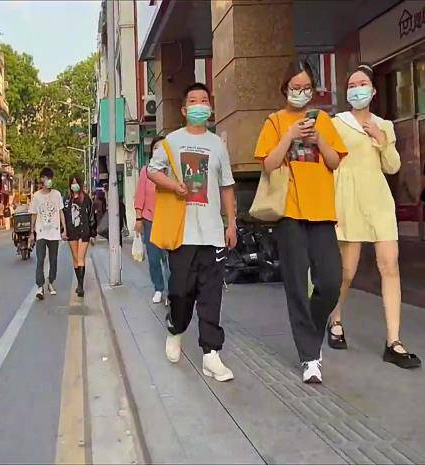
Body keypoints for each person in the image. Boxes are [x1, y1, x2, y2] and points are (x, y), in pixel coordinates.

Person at [254, 59, 347, 384]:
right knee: (295, 284)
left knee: (331, 282)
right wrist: (290, 135)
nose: (301, 92)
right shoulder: (275, 121)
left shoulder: (324, 120)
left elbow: (334, 162)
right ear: (285, 88)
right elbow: (268, 165)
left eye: (306, 87)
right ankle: (310, 357)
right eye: (296, 87)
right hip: (289, 213)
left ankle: (311, 332)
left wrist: (319, 139)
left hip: (321, 211)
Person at [329, 63, 421, 368]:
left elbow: (392, 166)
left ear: (373, 90)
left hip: (379, 200)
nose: (357, 90)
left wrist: (381, 139)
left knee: (390, 264)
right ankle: (335, 318)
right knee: (347, 270)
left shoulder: (385, 125)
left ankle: (393, 341)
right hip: (347, 199)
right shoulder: (337, 123)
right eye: (352, 85)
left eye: (362, 84)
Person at [147, 82, 237, 382]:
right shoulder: (172, 141)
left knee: (211, 295)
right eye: (194, 101)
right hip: (182, 232)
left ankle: (211, 354)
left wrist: (231, 223)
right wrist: (174, 186)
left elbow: (227, 186)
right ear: (184, 109)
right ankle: (176, 327)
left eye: (204, 100)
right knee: (180, 291)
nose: (200, 105)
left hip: (212, 233)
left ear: (210, 108)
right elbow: (152, 171)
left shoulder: (218, 145)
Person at [135, 135, 169, 305]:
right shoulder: (146, 171)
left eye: (162, 147)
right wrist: (138, 218)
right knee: (154, 257)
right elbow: (139, 195)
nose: (158, 151)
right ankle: (158, 288)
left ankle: (170, 291)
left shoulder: (171, 171)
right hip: (149, 219)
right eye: (156, 148)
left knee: (168, 258)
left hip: (168, 220)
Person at [29, 167, 67, 300]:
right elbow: (33, 215)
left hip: (54, 233)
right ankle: (40, 286)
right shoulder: (36, 196)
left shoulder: (57, 194)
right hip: (41, 233)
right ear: (42, 179)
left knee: (53, 259)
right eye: (46, 178)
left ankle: (51, 281)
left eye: (50, 178)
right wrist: (31, 233)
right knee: (40, 259)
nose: (49, 181)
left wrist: (64, 229)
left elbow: (61, 212)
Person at [63, 175, 96, 297]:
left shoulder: (86, 198)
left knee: (81, 258)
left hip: (84, 231)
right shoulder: (67, 200)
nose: (74, 185)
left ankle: (81, 286)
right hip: (72, 232)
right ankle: (79, 282)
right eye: (72, 183)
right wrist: (63, 231)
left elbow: (91, 216)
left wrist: (93, 233)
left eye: (76, 183)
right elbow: (64, 216)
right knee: (76, 259)